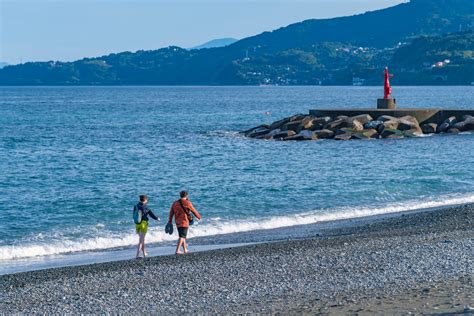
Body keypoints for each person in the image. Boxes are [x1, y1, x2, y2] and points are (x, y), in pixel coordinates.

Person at [133, 195, 159, 259]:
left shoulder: (136, 206)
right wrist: (157, 218)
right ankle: (137, 255)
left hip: (137, 224)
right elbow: (151, 214)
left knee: (142, 239)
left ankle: (144, 252)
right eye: (147, 200)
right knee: (141, 240)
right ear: (145, 200)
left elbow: (134, 214)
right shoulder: (146, 207)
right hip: (143, 224)